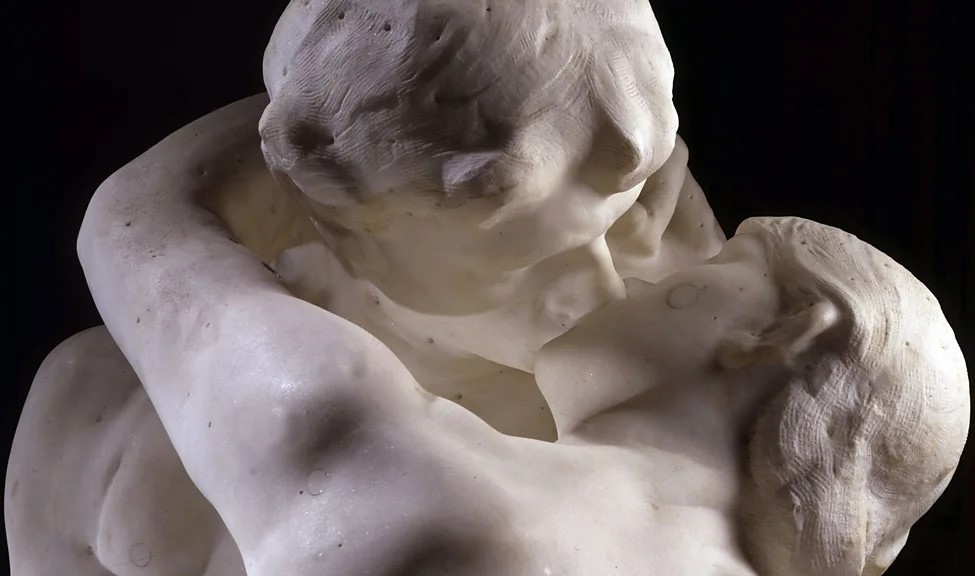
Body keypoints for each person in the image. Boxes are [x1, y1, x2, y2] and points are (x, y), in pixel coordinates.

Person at [6, 1, 728, 573]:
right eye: (525, 262)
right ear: (346, 224)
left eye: (626, 215)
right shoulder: (104, 413)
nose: (605, 291)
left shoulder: (687, 361)